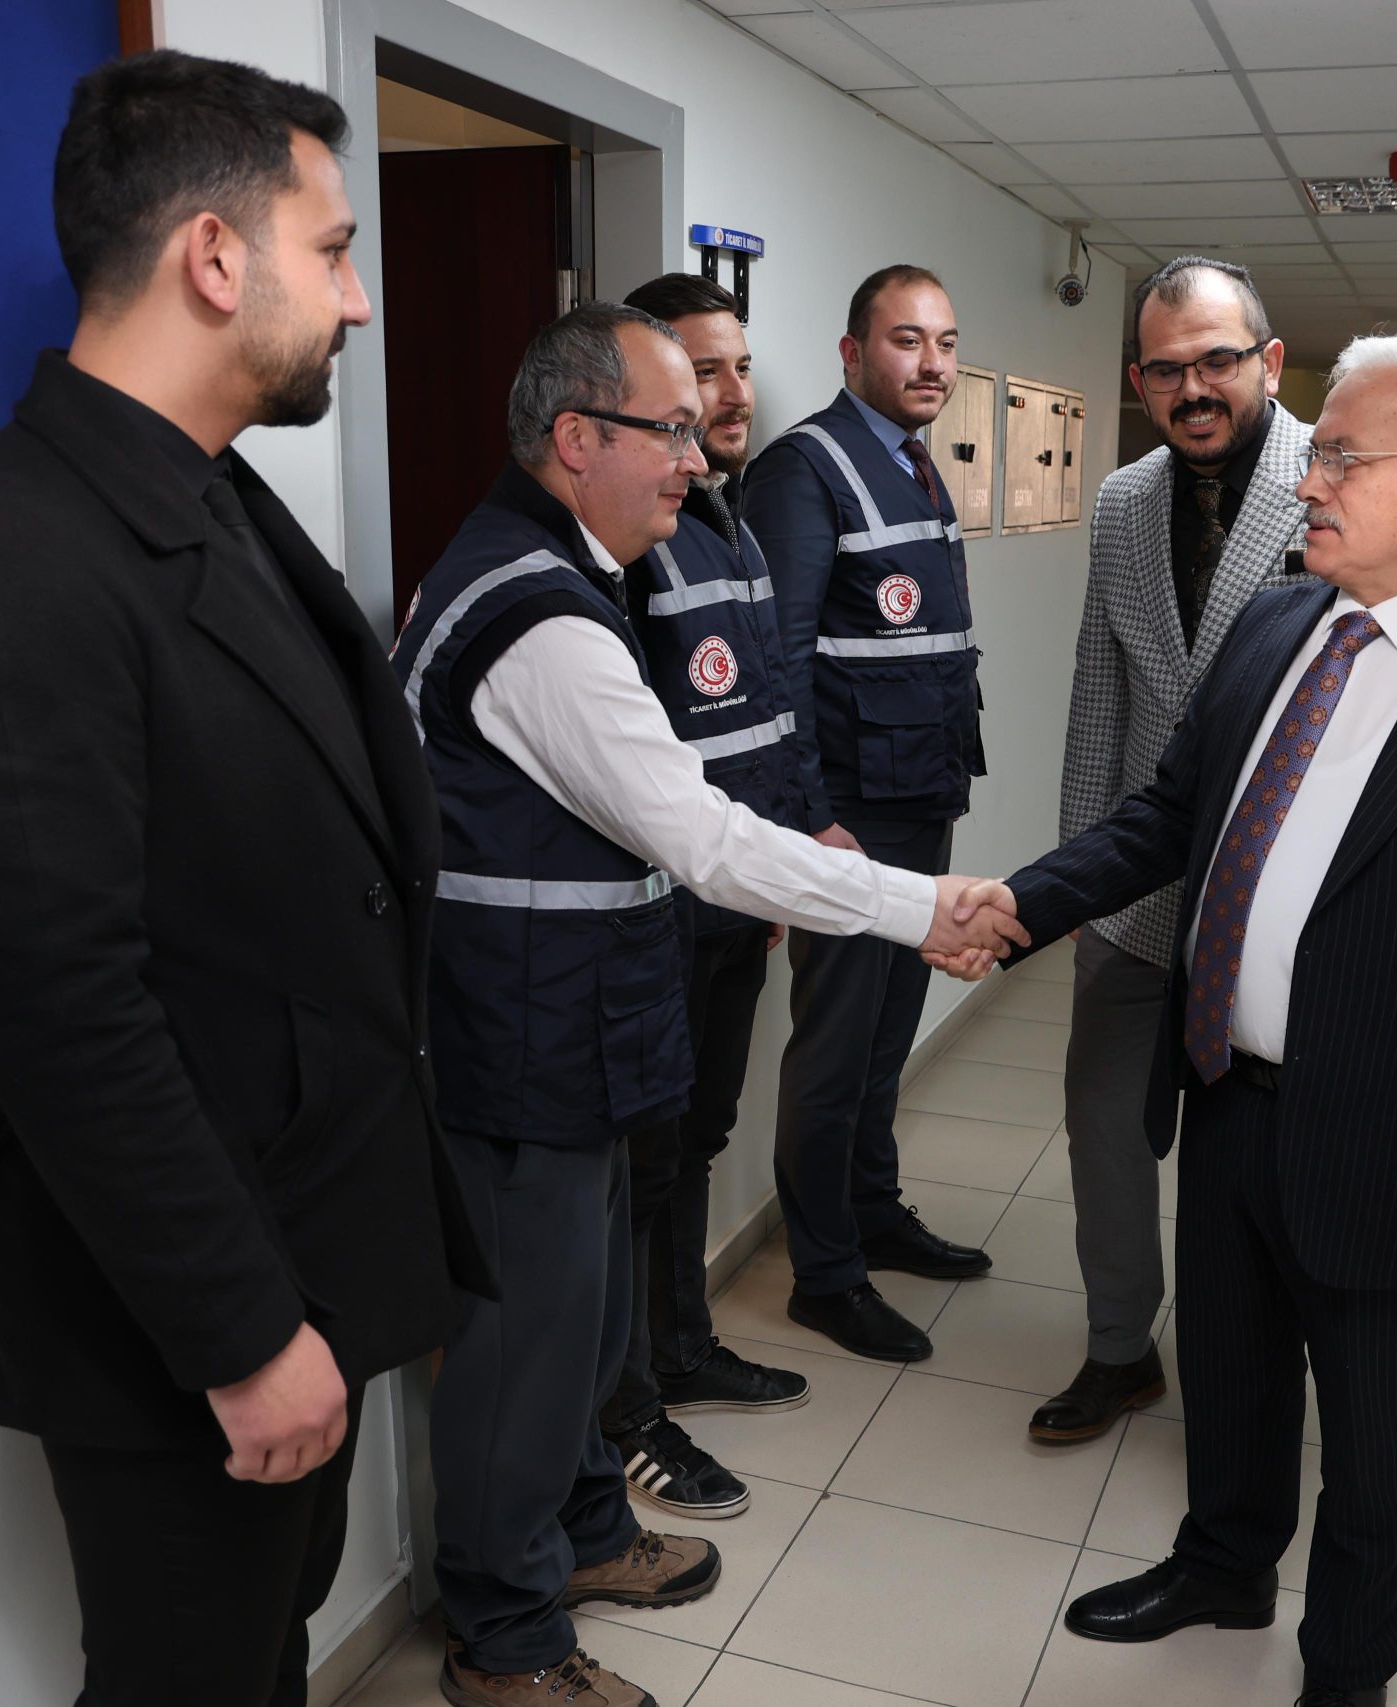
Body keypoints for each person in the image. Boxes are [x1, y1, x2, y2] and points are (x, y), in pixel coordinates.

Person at [0, 52, 487, 1707]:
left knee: (263, 1653)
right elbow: (67, 1009)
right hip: (188, 1313)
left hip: (308, 1247)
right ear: (217, 257)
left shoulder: (210, 499)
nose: (357, 302)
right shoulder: (0, 566)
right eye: (333, 250)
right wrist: (243, 1331)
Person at [948, 334, 1397, 1707]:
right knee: (1232, 1374)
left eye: (1340, 459)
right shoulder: (1275, 626)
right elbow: (1166, 816)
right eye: (1314, 453)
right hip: (1230, 1097)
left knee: (1377, 1443)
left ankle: (1347, 1669)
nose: (1306, 481)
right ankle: (1223, 1563)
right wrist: (1019, 903)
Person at [394, 302, 1022, 1707]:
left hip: (579, 1022)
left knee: (584, 1315)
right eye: (670, 429)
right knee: (523, 1343)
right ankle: (506, 1637)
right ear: (576, 439)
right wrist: (919, 905)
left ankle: (582, 1533)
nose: (696, 457)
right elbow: (701, 836)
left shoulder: (564, 570)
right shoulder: (538, 616)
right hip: (522, 1036)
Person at [1034, 255, 1314, 1445]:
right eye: (1164, 369)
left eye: (1216, 361)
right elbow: (1098, 692)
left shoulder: (1336, 481)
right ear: (1137, 378)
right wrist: (1072, 886)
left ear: (1268, 361)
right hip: (1138, 890)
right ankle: (1118, 1349)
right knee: (1104, 1126)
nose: (1191, 388)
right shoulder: (1120, 501)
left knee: (1254, 1156)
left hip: (1280, 892)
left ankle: (1248, 1362)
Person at [590, 271, 814, 1522]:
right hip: (660, 905)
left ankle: (680, 1347)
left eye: (737, 369)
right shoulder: (626, 541)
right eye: (700, 376)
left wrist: (787, 850)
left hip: (735, 897)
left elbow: (767, 706)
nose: (729, 396)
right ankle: (629, 1411)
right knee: (643, 1157)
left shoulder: (727, 517)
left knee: (698, 1138)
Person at [748, 264, 993, 1364]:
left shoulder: (914, 462)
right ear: (853, 352)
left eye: (945, 342)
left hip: (919, 795)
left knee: (889, 1033)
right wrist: (809, 818)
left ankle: (874, 1210)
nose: (932, 363)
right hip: (849, 815)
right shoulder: (806, 469)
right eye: (906, 340)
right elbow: (778, 660)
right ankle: (825, 1273)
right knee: (836, 1046)